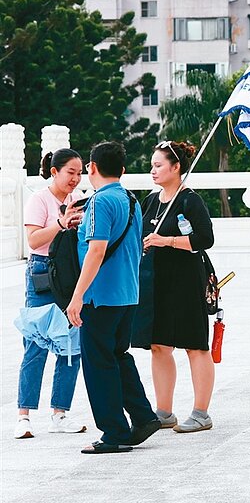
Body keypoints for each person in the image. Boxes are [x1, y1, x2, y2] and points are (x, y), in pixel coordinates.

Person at [66, 142, 160, 454]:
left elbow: (96, 250)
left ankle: (114, 433)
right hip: (127, 294)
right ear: (122, 170)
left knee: (99, 364)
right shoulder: (130, 199)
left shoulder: (99, 202)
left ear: (91, 168)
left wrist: (77, 296)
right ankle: (144, 417)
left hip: (100, 297)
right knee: (119, 357)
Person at [133, 140, 217, 433]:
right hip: (157, 283)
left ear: (176, 167)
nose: (153, 171)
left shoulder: (189, 201)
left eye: (158, 165)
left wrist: (166, 241)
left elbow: (204, 240)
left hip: (187, 282)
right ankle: (164, 411)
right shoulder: (151, 201)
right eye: (152, 166)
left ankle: (201, 412)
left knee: (195, 345)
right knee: (159, 346)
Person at [15, 149, 87, 439]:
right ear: (54, 171)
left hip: (69, 273)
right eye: (70, 172)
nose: (75, 178)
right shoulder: (39, 199)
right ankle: (24, 415)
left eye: (80, 173)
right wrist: (60, 223)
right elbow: (33, 239)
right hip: (42, 273)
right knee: (36, 343)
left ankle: (60, 412)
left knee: (71, 346)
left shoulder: (75, 200)